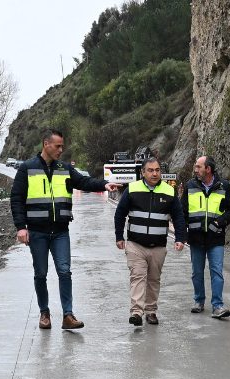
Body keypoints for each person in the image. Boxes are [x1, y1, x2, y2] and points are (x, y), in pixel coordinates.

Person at [10, 129, 122, 329]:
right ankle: (45, 314)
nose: (61, 150)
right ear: (46, 144)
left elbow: (84, 181)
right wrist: (21, 227)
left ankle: (68, 316)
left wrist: (104, 184)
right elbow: (17, 200)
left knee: (65, 272)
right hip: (37, 232)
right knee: (40, 274)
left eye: (62, 146)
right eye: (58, 146)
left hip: (61, 231)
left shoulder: (64, 168)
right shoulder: (27, 168)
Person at [114, 157, 186, 326]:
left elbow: (178, 217)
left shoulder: (169, 191)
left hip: (158, 246)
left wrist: (180, 238)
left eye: (158, 170)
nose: (155, 174)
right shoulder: (132, 189)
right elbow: (120, 214)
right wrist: (119, 236)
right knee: (137, 277)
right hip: (135, 245)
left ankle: (151, 311)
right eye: (151, 170)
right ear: (143, 172)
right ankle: (137, 313)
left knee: (153, 279)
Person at [183, 155, 230, 318]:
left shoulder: (224, 186)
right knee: (197, 272)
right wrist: (183, 233)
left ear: (208, 169)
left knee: (217, 272)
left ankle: (217, 306)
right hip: (195, 237)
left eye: (199, 167)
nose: (196, 170)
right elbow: (182, 211)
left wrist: (220, 222)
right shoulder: (190, 185)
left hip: (216, 237)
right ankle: (199, 301)